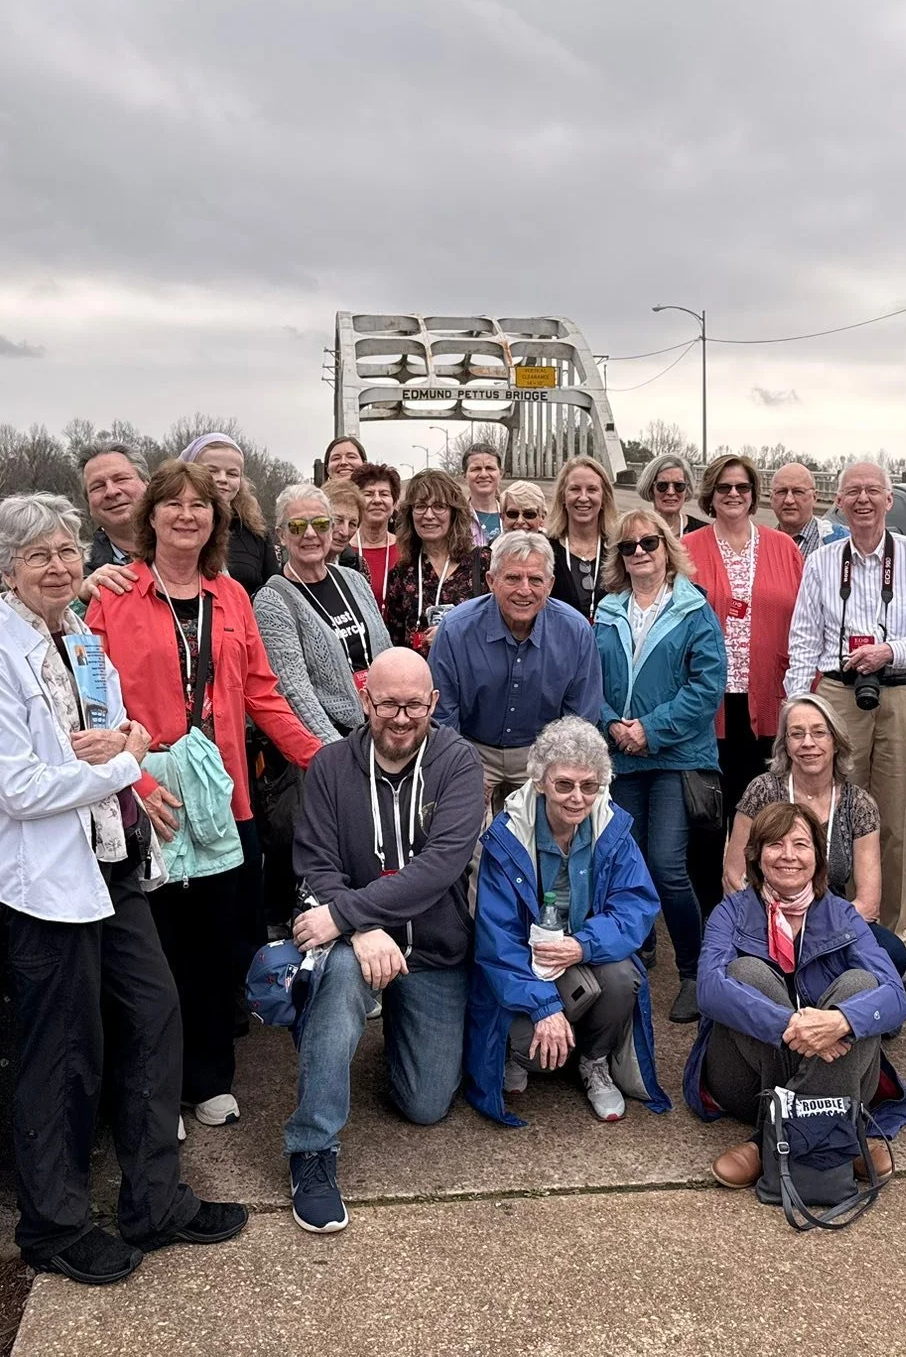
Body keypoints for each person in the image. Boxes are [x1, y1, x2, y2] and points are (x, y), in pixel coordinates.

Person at [0, 496, 244, 1291]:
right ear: (6, 567)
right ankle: (55, 1226)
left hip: (111, 862)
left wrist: (128, 747)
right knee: (63, 1056)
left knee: (154, 1016)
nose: (60, 566)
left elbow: (129, 730)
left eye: (68, 551)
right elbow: (14, 787)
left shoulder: (77, 635)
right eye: (39, 554)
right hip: (45, 886)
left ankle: (154, 1201)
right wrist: (116, 765)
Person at [84, 460, 322, 1128]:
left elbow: (261, 694)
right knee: (152, 952)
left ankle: (209, 1074)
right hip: (148, 795)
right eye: (173, 504)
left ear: (218, 520)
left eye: (201, 505)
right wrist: (139, 778)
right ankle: (157, 1089)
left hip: (225, 797)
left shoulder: (231, 596)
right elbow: (94, 707)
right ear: (149, 515)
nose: (187, 514)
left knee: (219, 944)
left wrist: (319, 758)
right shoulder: (113, 597)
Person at [284, 649, 487, 1232]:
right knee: (341, 977)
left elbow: (440, 866)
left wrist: (345, 913)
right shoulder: (328, 766)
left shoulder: (458, 763)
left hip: (433, 948)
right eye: (388, 704)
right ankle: (312, 1148)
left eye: (414, 705)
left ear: (433, 704)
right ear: (365, 701)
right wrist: (362, 928)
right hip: (356, 944)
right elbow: (316, 864)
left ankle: (370, 1034)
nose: (401, 718)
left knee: (424, 1106)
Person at [685, 800, 906, 1190]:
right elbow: (708, 990)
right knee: (746, 973)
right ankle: (843, 1137)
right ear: (757, 856)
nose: (788, 855)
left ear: (817, 857)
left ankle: (767, 1143)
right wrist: (792, 1025)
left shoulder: (843, 915)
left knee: (862, 985)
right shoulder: (731, 912)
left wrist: (840, 1021)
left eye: (801, 844)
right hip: (746, 1076)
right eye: (775, 844)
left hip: (840, 1065)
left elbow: (895, 996)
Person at [466, 716, 669, 1125]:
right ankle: (515, 1049)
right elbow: (496, 939)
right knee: (536, 1055)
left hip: (582, 954)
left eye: (589, 786)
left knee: (623, 977)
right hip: (523, 963)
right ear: (541, 781)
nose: (577, 797)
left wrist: (584, 945)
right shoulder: (507, 835)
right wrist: (543, 1008)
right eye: (564, 785)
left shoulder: (612, 829)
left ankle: (593, 1061)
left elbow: (636, 907)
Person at [784, 461, 906, 943]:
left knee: (897, 821)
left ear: (889, 500)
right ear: (838, 501)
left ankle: (890, 934)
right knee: (834, 815)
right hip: (837, 693)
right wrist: (795, 713)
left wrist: (889, 651)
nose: (862, 500)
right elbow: (804, 641)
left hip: (901, 691)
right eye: (852, 491)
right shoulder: (822, 563)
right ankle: (833, 927)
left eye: (873, 491)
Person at [594, 509, 725, 1025]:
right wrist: (612, 726)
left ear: (667, 547)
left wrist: (649, 728)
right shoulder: (606, 611)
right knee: (625, 860)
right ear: (620, 558)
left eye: (649, 542)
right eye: (629, 547)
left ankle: (694, 971)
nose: (640, 552)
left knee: (668, 866)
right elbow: (589, 680)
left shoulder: (695, 609)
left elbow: (706, 686)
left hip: (675, 757)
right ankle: (639, 946)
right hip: (620, 757)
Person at [724, 694, 906, 979]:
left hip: (830, 922)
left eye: (819, 733)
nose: (808, 743)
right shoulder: (763, 791)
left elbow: (868, 903)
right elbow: (733, 876)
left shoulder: (858, 805)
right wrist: (772, 929)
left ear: (836, 742)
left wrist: (813, 937)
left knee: (893, 953)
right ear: (785, 744)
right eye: (796, 734)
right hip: (763, 919)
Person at [429, 531, 601, 807]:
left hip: (543, 752)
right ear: (491, 581)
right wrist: (460, 768)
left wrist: (555, 774)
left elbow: (579, 720)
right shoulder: (456, 629)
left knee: (544, 840)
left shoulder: (576, 631)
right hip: (473, 748)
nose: (524, 590)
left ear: (550, 584)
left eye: (535, 580)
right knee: (463, 839)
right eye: (512, 578)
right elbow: (443, 714)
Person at [687, 453, 807, 821]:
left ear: (754, 494)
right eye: (724, 487)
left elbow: (805, 623)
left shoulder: (784, 548)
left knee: (765, 817)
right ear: (711, 494)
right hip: (709, 703)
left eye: (743, 487)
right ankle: (713, 880)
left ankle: (754, 881)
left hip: (770, 698)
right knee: (709, 818)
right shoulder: (686, 548)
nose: (734, 494)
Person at [254, 484, 392, 745]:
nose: (309, 534)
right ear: (281, 535)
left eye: (319, 524)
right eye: (296, 526)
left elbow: (385, 652)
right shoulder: (273, 600)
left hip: (384, 729)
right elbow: (295, 691)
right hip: (336, 740)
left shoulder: (354, 580)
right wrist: (334, 753)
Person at [381, 468, 489, 653]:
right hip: (417, 677)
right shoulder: (402, 573)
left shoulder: (483, 563)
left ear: (454, 513)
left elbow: (498, 627)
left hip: (470, 677)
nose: (429, 515)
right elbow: (393, 641)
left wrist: (451, 633)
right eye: (421, 506)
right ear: (410, 514)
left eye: (439, 506)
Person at [180, 432, 282, 595]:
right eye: (212, 471)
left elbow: (274, 590)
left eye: (232, 473)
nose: (222, 479)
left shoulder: (255, 531)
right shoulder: (176, 526)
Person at [78, 441, 149, 605]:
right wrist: (82, 600)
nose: (111, 491)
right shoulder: (76, 570)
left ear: (148, 485)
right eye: (97, 487)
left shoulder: (192, 547)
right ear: (89, 504)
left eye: (121, 479)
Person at [547, 454, 616, 621]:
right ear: (563, 497)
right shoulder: (545, 550)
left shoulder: (620, 550)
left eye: (592, 489)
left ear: (604, 498)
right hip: (559, 644)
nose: (583, 497)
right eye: (575, 489)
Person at [769, 461, 846, 559]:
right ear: (771, 498)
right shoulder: (760, 544)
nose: (789, 500)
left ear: (814, 497)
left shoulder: (838, 542)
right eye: (781, 492)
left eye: (798, 492)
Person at [350, 463, 403, 604]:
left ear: (395, 503)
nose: (377, 500)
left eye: (384, 494)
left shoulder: (408, 548)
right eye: (368, 494)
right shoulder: (342, 550)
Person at [638, 452, 707, 536]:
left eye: (679, 485)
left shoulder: (703, 533)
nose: (671, 492)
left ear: (687, 489)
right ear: (650, 488)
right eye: (662, 485)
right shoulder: (635, 531)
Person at [462, 442, 507, 543]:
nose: (483, 474)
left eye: (490, 468)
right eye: (476, 469)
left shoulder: (514, 515)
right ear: (464, 476)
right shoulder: (456, 518)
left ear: (500, 473)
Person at [324, 476, 365, 573]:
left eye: (352, 524)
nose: (345, 532)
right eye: (338, 520)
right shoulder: (288, 563)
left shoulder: (357, 565)